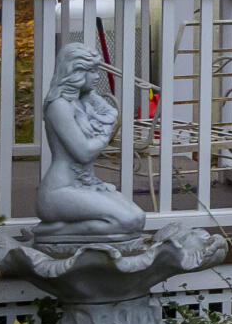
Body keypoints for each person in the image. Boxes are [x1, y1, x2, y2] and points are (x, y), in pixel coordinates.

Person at [34, 41, 150, 233]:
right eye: (92, 71)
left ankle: (59, 229)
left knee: (138, 219)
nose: (97, 77)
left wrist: (95, 100)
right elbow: (84, 153)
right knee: (127, 221)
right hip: (60, 190)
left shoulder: (81, 101)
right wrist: (106, 130)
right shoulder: (59, 106)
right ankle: (50, 232)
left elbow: (110, 112)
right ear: (76, 71)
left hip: (87, 185)